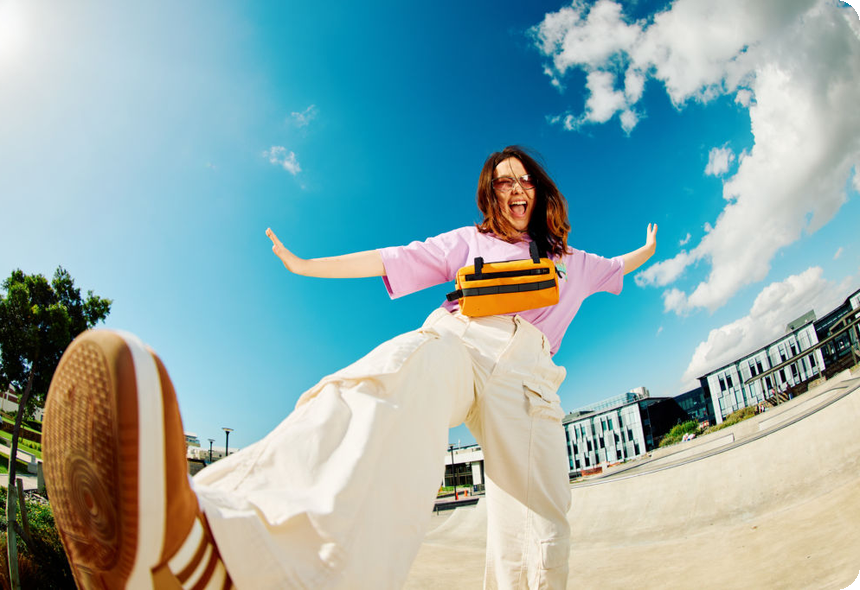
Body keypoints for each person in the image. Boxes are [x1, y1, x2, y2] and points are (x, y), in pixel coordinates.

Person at [42, 146, 657, 590]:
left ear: (539, 190)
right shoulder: (469, 241)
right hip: (460, 340)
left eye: (524, 179)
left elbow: (619, 265)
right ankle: (219, 545)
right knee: (383, 388)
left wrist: (649, 248)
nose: (515, 188)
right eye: (503, 182)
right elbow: (392, 257)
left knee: (536, 524)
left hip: (528, 377)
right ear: (490, 195)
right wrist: (305, 265)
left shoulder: (570, 259)